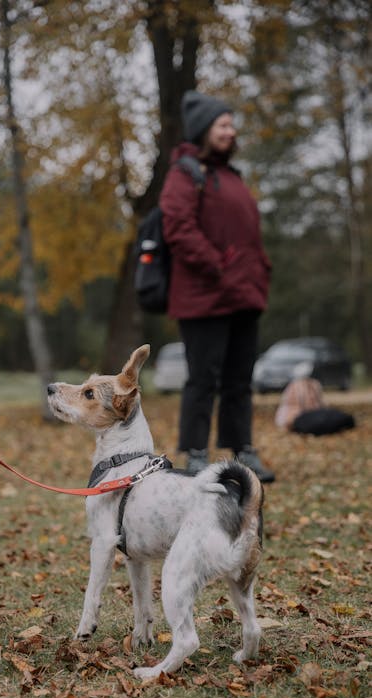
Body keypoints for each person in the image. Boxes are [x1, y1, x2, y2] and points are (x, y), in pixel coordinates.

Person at [160, 90, 275, 482]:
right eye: (223, 125)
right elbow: (177, 228)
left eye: (231, 124)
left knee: (240, 380)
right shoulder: (185, 173)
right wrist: (217, 266)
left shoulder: (230, 177)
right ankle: (194, 454)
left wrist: (260, 269)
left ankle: (242, 451)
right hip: (204, 296)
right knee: (202, 379)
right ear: (203, 130)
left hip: (243, 294)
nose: (231, 131)